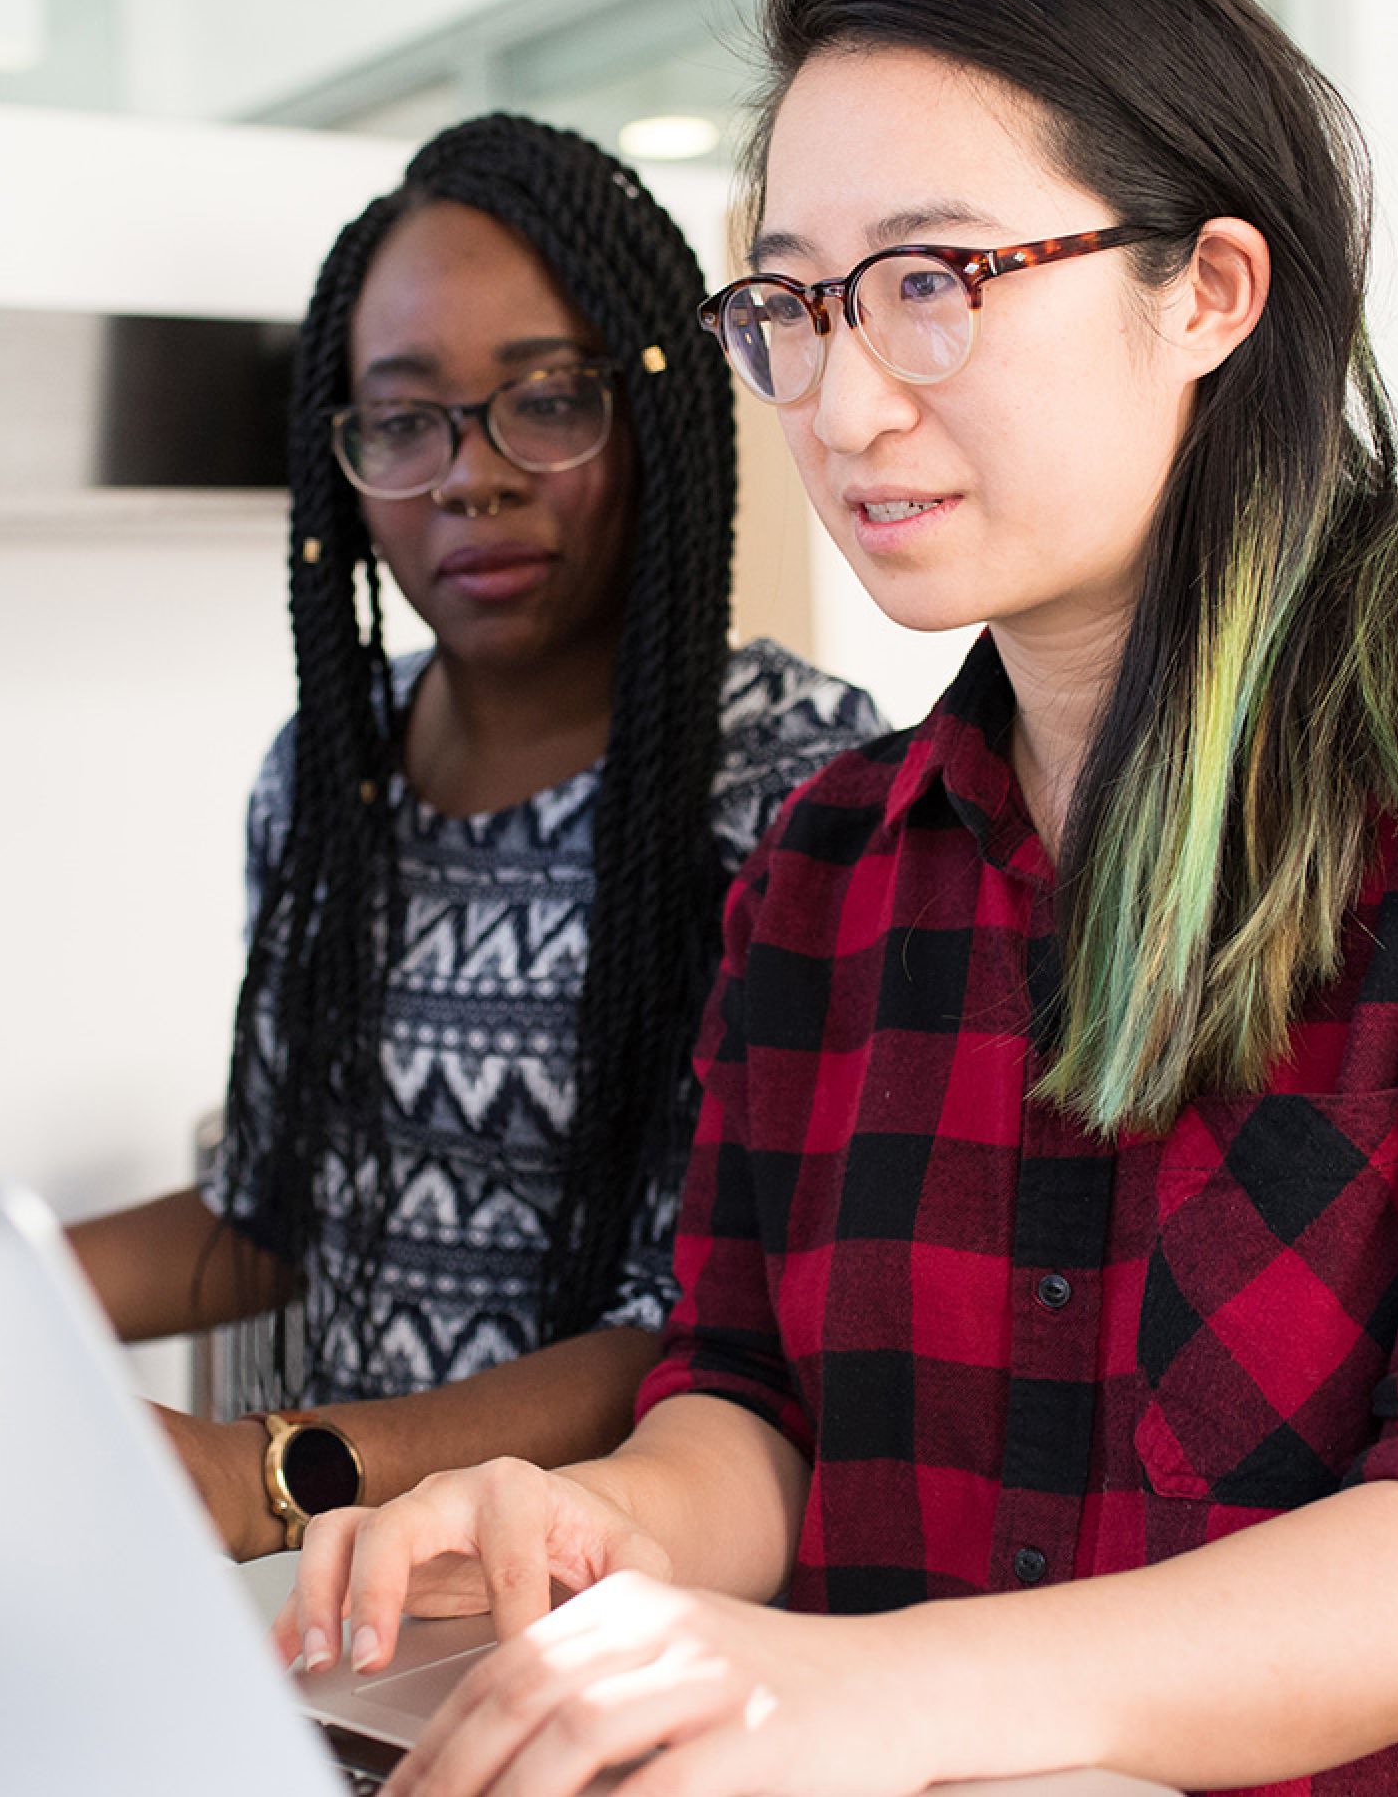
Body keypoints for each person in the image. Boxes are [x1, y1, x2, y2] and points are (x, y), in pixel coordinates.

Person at [278, 0, 1398, 1793]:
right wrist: (610, 1534)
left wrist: (878, 1692)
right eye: (798, 302)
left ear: (1211, 289)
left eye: (934, 279)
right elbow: (750, 1402)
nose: (842, 397)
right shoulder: (830, 864)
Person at [68, 115, 879, 1562]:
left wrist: (275, 1475)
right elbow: (274, 1203)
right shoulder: (329, 775)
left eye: (547, 401)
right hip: (362, 1609)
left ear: (657, 413)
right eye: (404, 420)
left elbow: (706, 1326)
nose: (472, 475)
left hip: (636, 1604)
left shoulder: (792, 786)